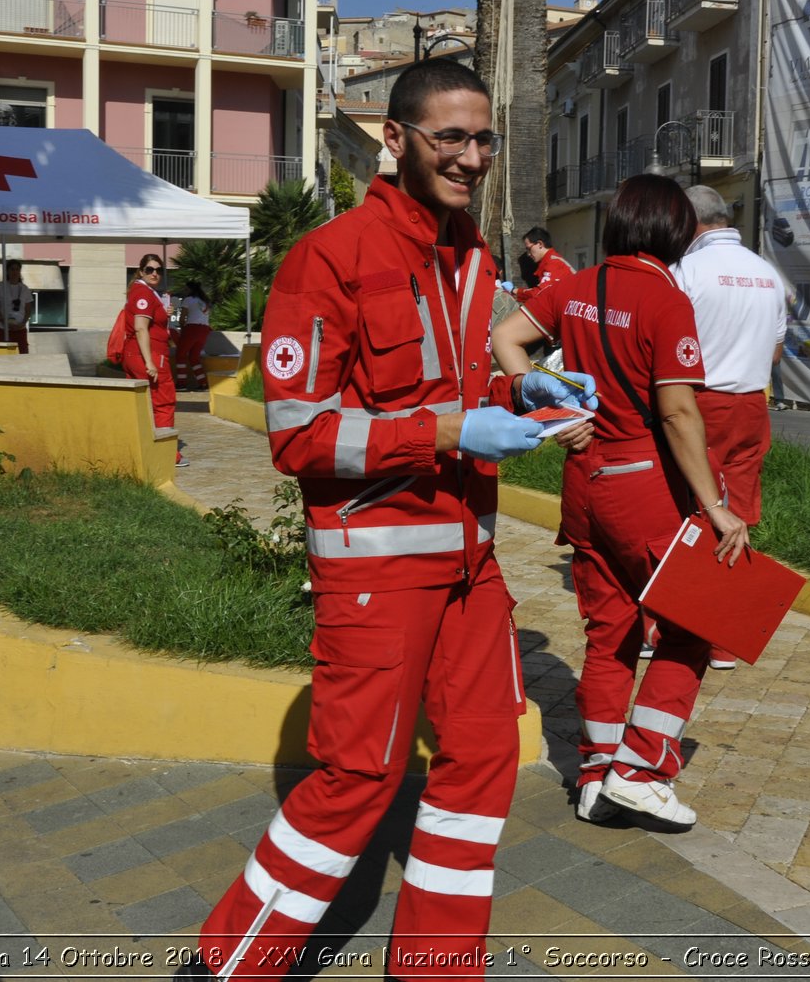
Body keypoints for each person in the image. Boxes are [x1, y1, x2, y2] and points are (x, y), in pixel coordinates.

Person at [183, 59, 592, 982]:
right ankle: (226, 964)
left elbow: (462, 385)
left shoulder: (469, 256)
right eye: (451, 136)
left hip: (468, 565)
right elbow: (297, 432)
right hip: (376, 567)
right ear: (395, 140)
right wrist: (451, 426)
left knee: (486, 754)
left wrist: (522, 388)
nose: (473, 156)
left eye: (483, 138)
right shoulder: (327, 259)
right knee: (358, 778)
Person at [492, 174, 750, 831]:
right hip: (644, 488)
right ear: (676, 233)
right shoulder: (668, 301)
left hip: (583, 482)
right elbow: (679, 412)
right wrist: (715, 504)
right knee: (694, 625)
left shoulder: (573, 285)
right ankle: (641, 770)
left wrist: (543, 396)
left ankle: (596, 774)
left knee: (610, 634)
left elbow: (506, 341)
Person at [670, 184, 788, 670]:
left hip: (700, 401)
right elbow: (778, 348)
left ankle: (672, 627)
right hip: (752, 403)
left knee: (687, 509)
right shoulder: (767, 273)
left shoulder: (685, 271)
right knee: (736, 512)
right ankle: (721, 638)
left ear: (690, 225)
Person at [119, 253, 183, 465]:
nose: (154, 273)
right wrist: (150, 362)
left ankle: (138, 448)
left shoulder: (146, 293)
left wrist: (164, 312)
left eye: (158, 270)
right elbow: (140, 328)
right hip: (149, 354)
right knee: (163, 402)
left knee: (140, 403)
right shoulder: (144, 294)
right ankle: (167, 455)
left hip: (136, 354)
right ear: (140, 271)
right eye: (149, 269)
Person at [510, 226, 573, 301]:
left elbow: (540, 293)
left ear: (540, 244)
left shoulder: (553, 263)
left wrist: (516, 291)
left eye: (529, 249)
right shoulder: (549, 261)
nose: (528, 254)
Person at [172, 280, 212, 391]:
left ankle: (181, 384)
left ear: (190, 290)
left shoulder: (188, 300)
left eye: (186, 289)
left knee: (180, 355)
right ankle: (203, 383)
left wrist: (182, 328)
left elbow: (182, 318)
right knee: (194, 357)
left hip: (192, 329)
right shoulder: (205, 301)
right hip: (204, 330)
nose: (184, 291)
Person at [0, 258, 32, 353]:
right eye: (12, 269)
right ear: (7, 271)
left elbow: (28, 310)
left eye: (17, 269)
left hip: (20, 329)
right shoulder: (0, 287)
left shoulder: (24, 289)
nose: (15, 272)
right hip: (3, 329)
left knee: (22, 355)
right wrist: (5, 323)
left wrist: (22, 324)